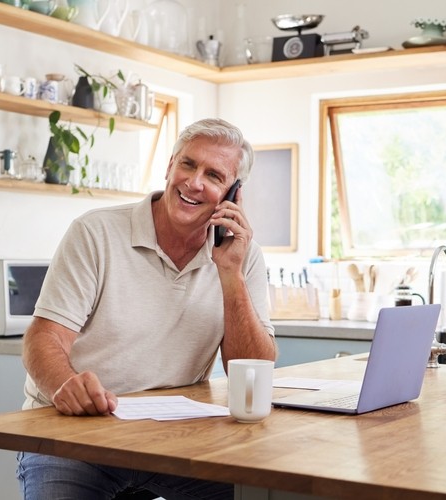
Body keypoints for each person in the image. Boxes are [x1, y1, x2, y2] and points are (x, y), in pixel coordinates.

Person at [16, 118, 278, 500]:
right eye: (188, 165)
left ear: (233, 193)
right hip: (76, 433)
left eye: (214, 175)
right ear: (170, 166)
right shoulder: (95, 233)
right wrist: (63, 386)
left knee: (260, 492)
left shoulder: (242, 256)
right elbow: (43, 338)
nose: (194, 182)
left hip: (173, 438)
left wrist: (231, 274)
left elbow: (255, 371)